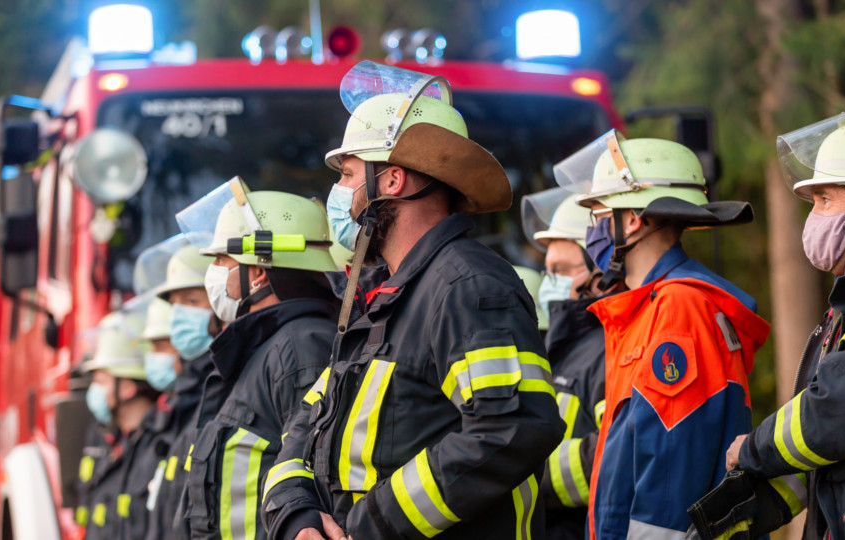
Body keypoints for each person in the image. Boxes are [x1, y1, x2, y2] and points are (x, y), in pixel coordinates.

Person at [261, 61, 564, 540]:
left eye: (347, 174)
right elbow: (306, 425)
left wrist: (368, 525)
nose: (337, 195)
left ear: (393, 180)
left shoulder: (467, 286)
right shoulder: (378, 299)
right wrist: (298, 517)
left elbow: (512, 428)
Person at [555, 130, 771, 538]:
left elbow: (670, 470)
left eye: (600, 215)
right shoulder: (652, 306)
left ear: (633, 220)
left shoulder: (679, 309)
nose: (594, 231)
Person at [721, 111, 845, 539]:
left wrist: (754, 449)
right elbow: (833, 450)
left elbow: (843, 408)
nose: (815, 217)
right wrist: (759, 502)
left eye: (826, 200)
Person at [173, 181, 338, 538]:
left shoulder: (302, 346)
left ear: (259, 271)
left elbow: (314, 483)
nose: (214, 271)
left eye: (222, 259)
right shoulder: (263, 349)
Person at [522, 188, 614, 539]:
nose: (549, 283)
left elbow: (616, 457)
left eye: (560, 270)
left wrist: (524, 477)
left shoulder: (608, 350)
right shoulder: (563, 348)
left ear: (601, 271)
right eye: (547, 271)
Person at [130, 238, 219, 540]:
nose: (180, 316)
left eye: (192, 302)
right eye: (175, 305)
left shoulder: (219, 388)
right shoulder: (183, 403)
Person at [80, 310, 161, 539]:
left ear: (127, 388)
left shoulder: (160, 445)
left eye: (101, 381)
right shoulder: (106, 439)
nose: (94, 391)